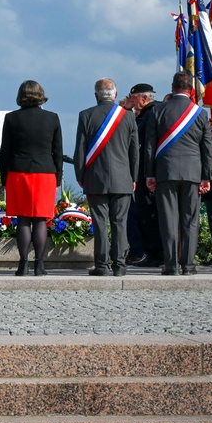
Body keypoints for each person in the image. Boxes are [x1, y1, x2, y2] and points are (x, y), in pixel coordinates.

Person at [145, 70, 212, 276]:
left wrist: (149, 174)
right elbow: (206, 148)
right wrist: (206, 176)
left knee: (168, 220)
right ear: (191, 91)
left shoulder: (158, 110)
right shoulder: (200, 113)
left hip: (166, 171)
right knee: (190, 220)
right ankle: (189, 265)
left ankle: (171, 265)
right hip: (193, 173)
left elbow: (149, 146)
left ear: (172, 88)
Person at [74, 78, 139, 277]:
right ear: (116, 95)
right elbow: (134, 152)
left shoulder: (85, 115)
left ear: (96, 95)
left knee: (100, 223)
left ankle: (101, 266)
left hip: (95, 178)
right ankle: (119, 265)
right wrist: (133, 177)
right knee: (120, 223)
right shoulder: (128, 117)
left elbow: (80, 150)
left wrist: (80, 175)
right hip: (123, 179)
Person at [0, 80, 62, 276]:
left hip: (18, 172)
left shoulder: (11, 118)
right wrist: (58, 177)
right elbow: (57, 152)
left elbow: (5, 152)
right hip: (45, 173)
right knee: (41, 219)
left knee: (23, 219)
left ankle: (23, 263)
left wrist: (4, 178)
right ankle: (40, 263)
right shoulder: (52, 118)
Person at [125, 83, 163, 268]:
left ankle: (155, 253)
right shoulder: (144, 114)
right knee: (143, 213)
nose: (131, 101)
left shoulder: (151, 114)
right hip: (144, 172)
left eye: (133, 98)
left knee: (149, 214)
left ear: (144, 98)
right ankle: (151, 252)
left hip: (147, 172)